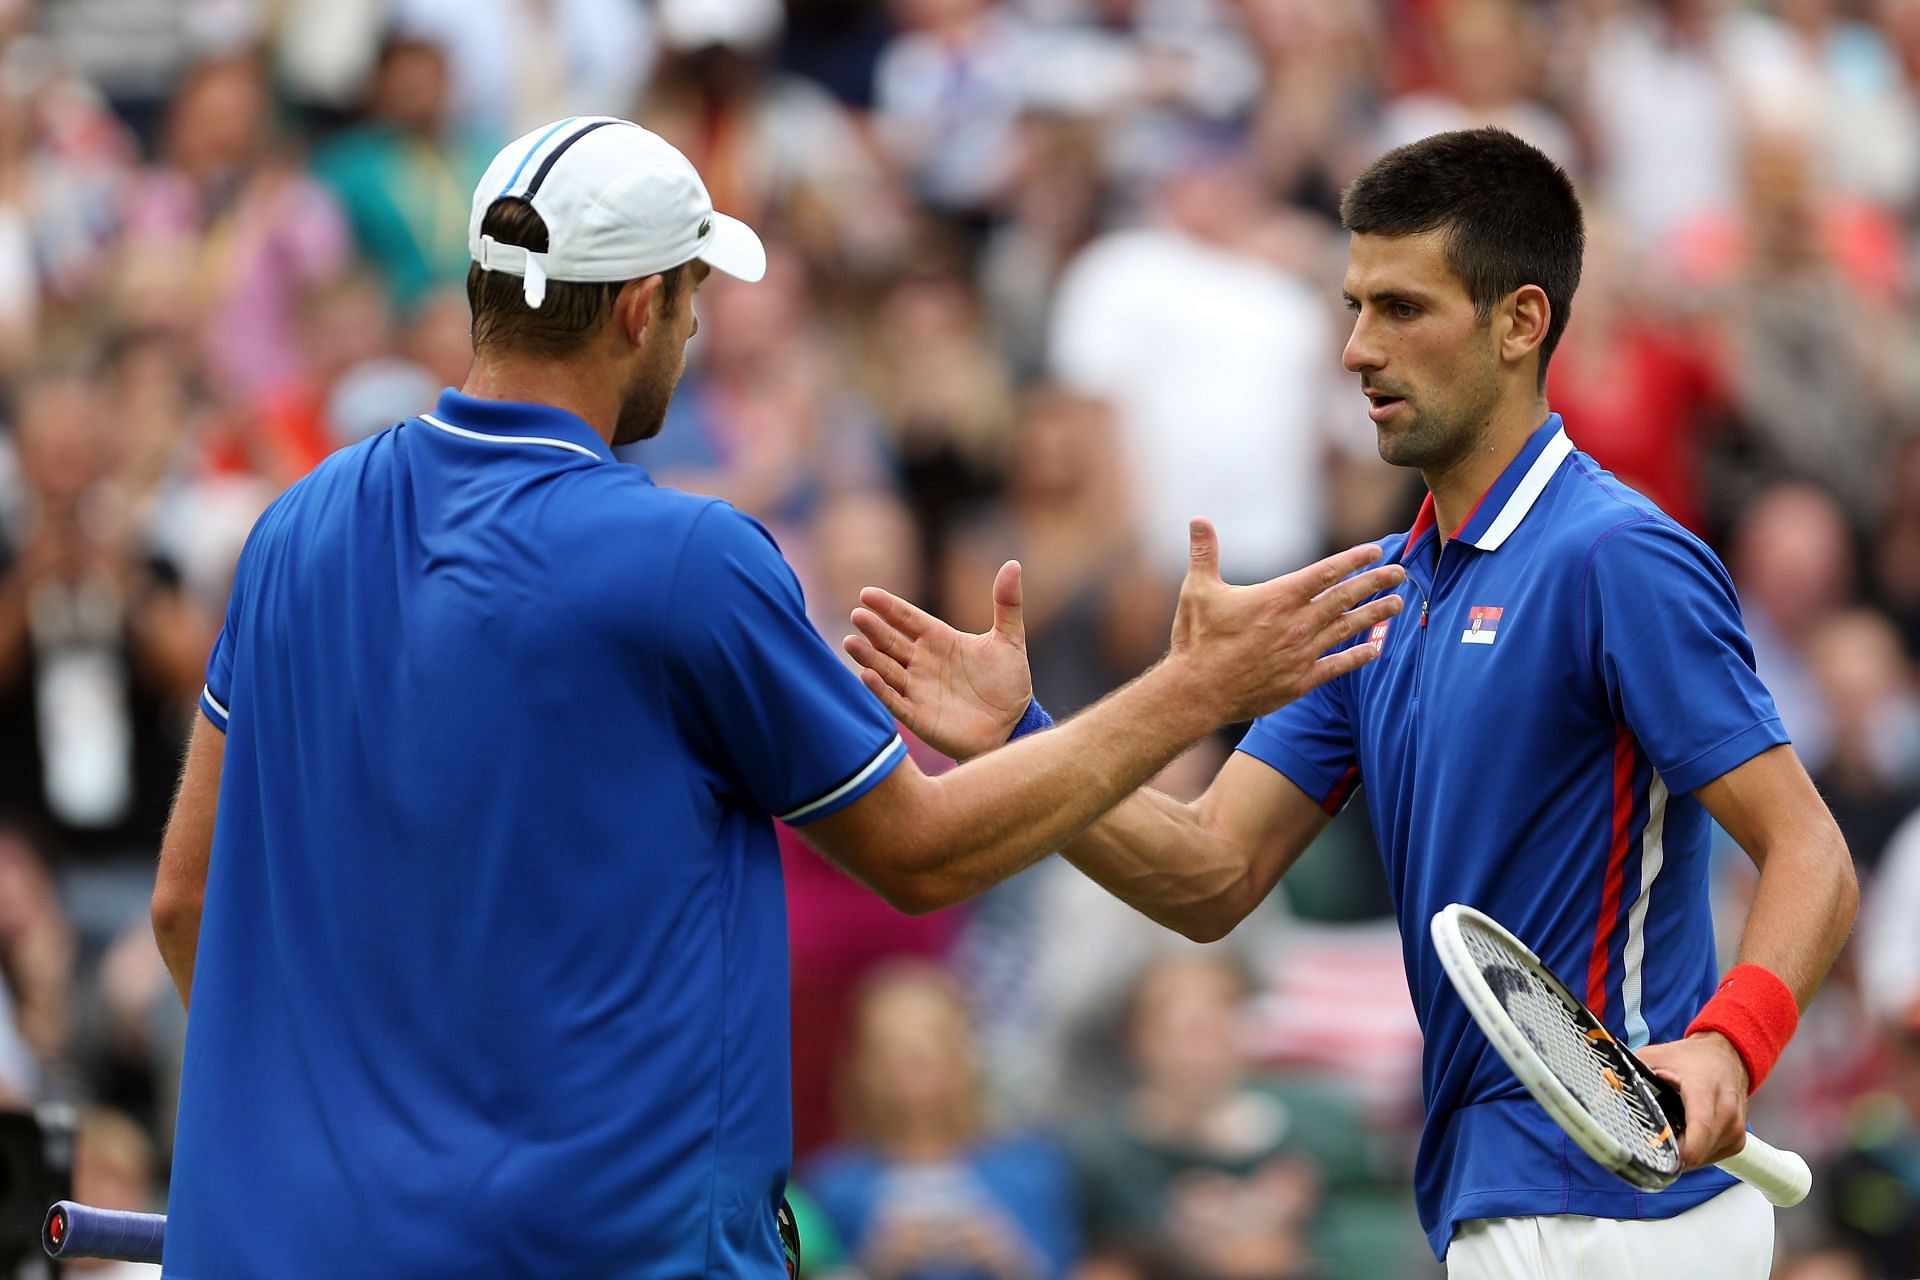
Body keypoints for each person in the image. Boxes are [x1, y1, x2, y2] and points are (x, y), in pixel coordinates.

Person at [147, 115, 1406, 1278]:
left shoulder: (291, 530)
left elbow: (188, 899)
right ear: (642, 306)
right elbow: (920, 850)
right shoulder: (687, 555)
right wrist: (1197, 688)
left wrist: (347, 1137)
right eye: (693, 296)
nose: (696, 329)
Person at [845, 127, 1859, 1279]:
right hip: (1500, 1194)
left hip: (1629, 1209)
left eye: (1401, 309)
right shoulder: (1373, 596)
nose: (1356, 349)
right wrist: (1022, 742)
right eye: (1353, 305)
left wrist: (1731, 1044)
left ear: (1520, 322)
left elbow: (1810, 852)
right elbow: (1209, 871)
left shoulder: (1618, 557)